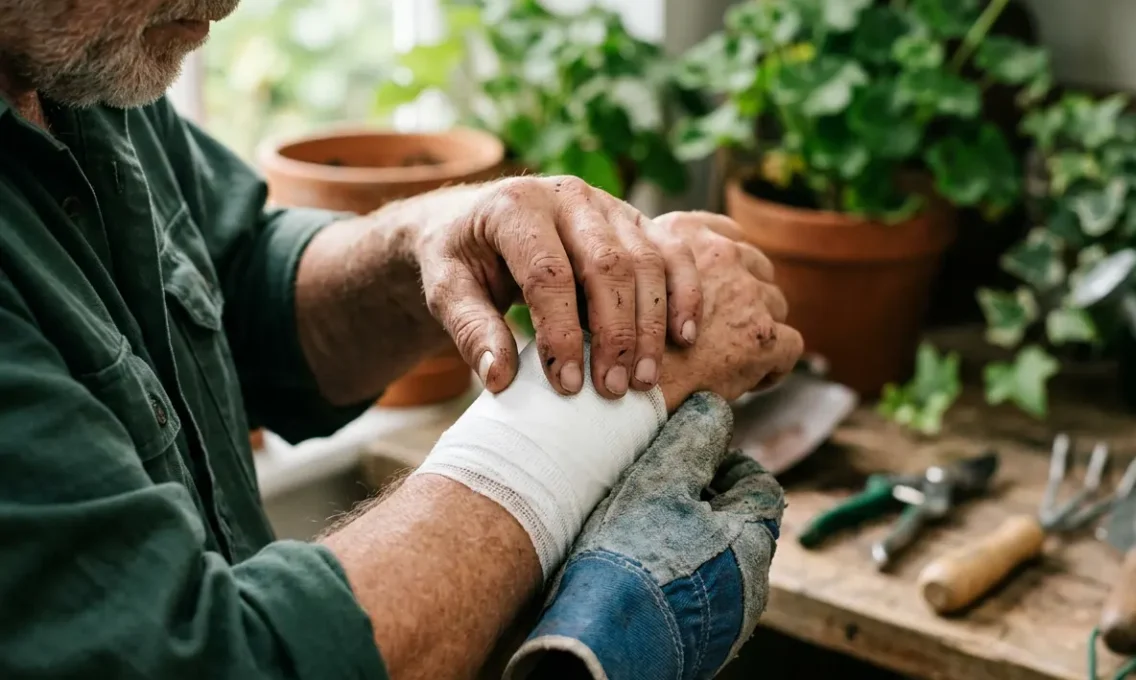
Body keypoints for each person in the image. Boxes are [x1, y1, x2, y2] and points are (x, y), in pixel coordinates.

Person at [0, 1, 804, 678]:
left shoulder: (74, 56)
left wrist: (425, 239)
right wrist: (599, 404)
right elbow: (214, 660)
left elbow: (234, 290)